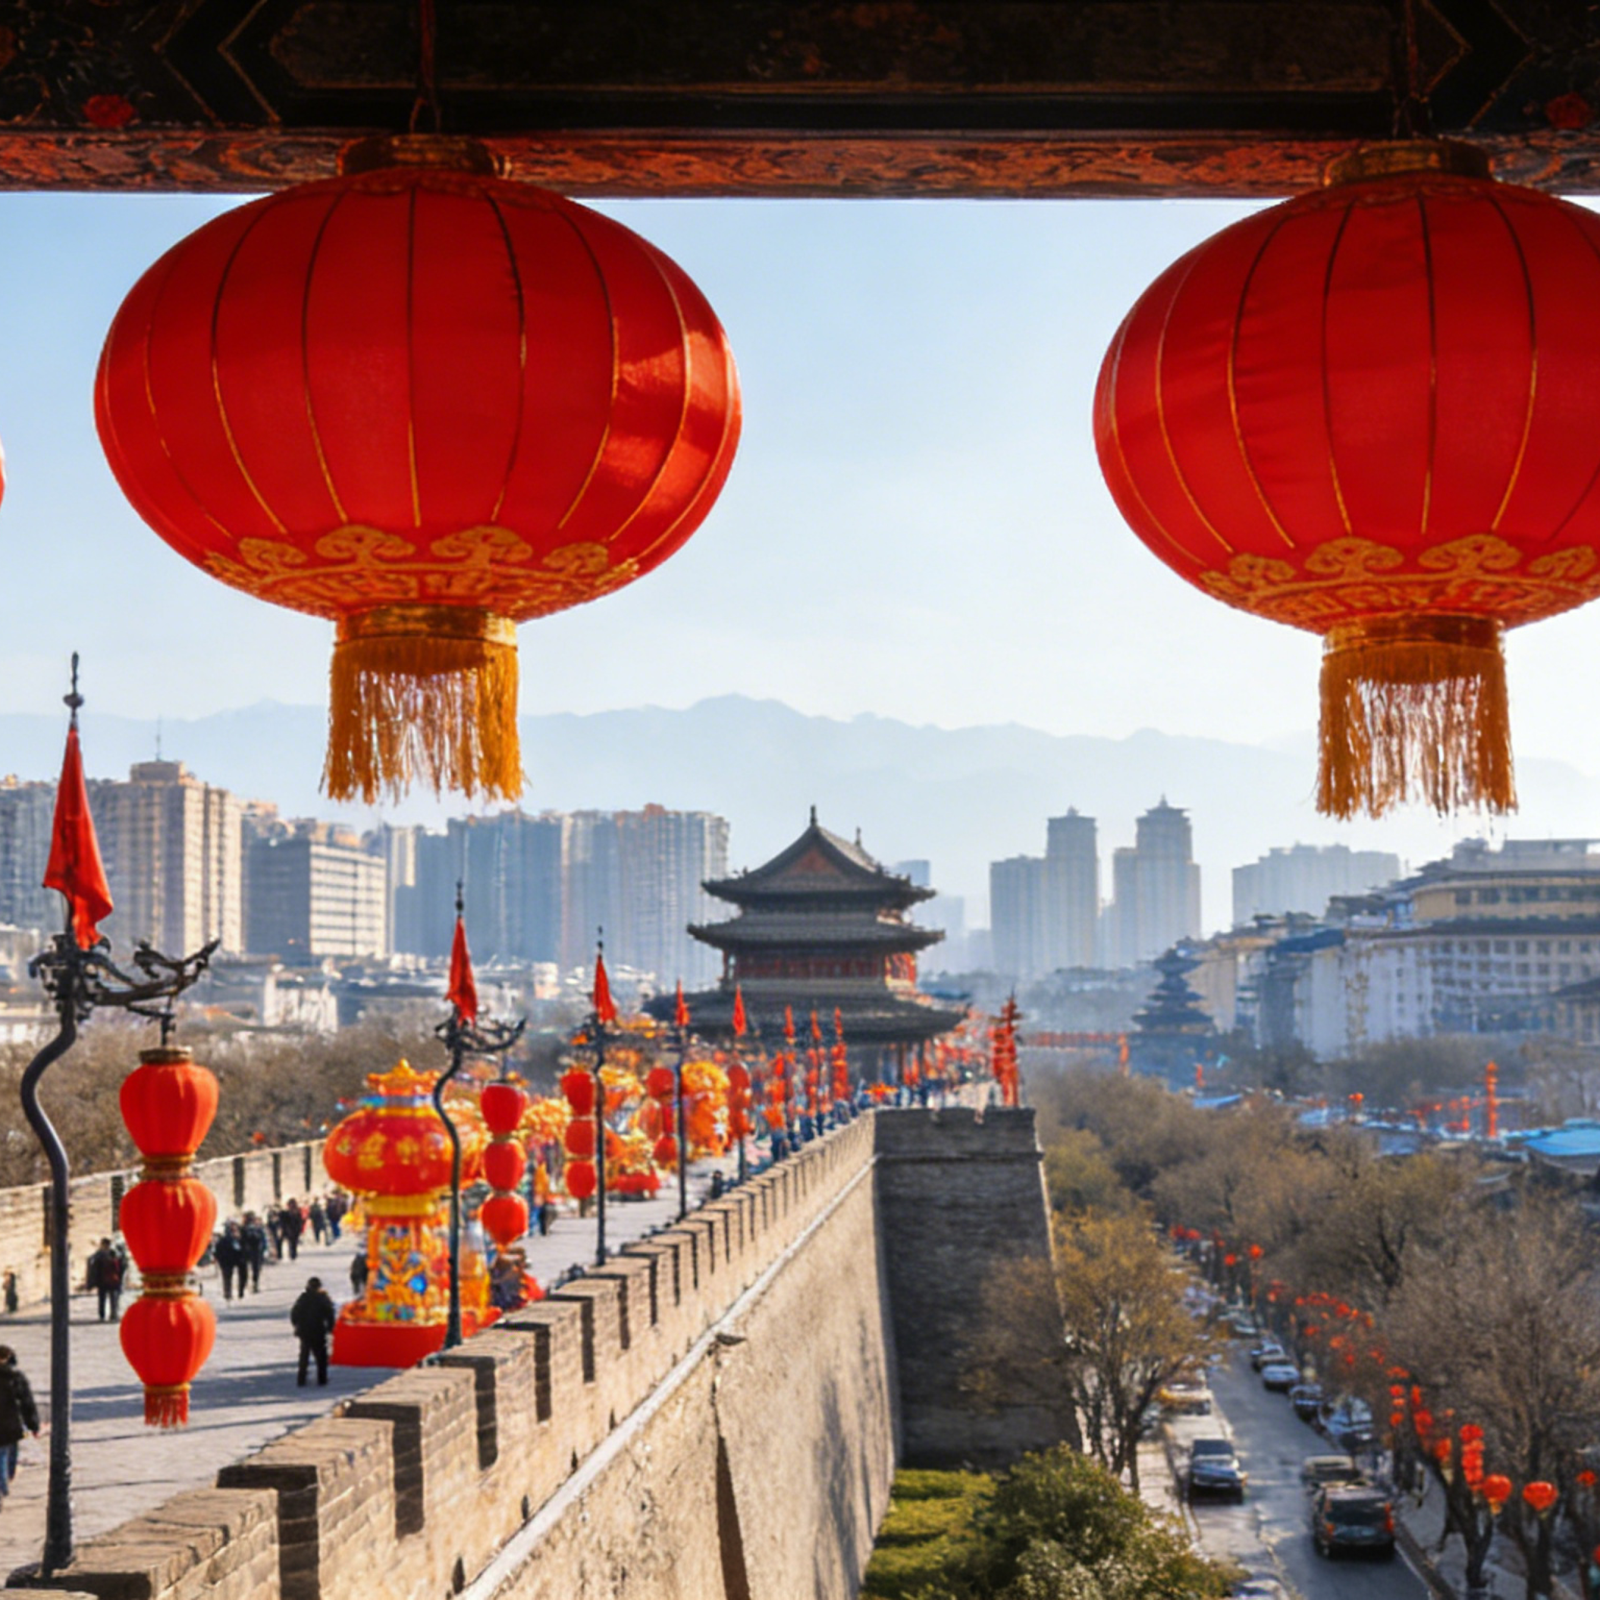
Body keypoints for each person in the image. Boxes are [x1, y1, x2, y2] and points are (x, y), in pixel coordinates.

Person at [0, 1346, 38, 1500]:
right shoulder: (15, 1377)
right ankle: (3, 1487)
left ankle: (3, 1486)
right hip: (11, 1424)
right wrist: (33, 1425)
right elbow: (27, 1403)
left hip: (9, 1424)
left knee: (4, 1455)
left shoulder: (15, 1377)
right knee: (7, 1455)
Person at [290, 1276, 337, 1387]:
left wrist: (297, 1326)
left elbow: (294, 1314)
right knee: (321, 1356)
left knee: (304, 1355)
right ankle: (322, 1378)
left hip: (305, 1331)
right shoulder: (322, 1298)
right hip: (318, 1330)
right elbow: (329, 1315)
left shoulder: (303, 1298)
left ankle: (301, 1378)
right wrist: (330, 1328)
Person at [86, 1238, 124, 1323]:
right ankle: (109, 1315)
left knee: (109, 1298)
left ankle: (108, 1315)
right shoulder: (112, 1254)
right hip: (108, 1280)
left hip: (107, 1280)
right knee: (109, 1298)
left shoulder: (104, 1254)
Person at [214, 1222, 245, 1302]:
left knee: (242, 1275)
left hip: (239, 1259)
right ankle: (228, 1293)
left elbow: (247, 1248)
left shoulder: (241, 1239)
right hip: (227, 1260)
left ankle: (240, 1292)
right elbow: (218, 1251)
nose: (234, 1232)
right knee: (227, 1277)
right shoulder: (224, 1240)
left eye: (235, 1230)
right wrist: (220, 1260)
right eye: (232, 1230)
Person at [241, 1214, 269, 1292]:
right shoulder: (244, 1229)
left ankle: (253, 1284)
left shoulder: (257, 1229)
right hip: (251, 1252)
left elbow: (263, 1240)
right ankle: (251, 1284)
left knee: (254, 1269)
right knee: (251, 1269)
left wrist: (264, 1249)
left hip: (254, 1251)